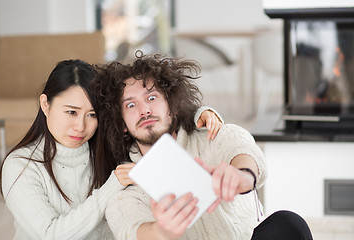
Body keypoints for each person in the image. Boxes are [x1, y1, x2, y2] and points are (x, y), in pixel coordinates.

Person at [91, 51, 314, 240]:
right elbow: (132, 229)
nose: (144, 110)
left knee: (288, 224)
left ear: (174, 106)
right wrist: (162, 229)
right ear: (121, 124)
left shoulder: (211, 135)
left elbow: (243, 150)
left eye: (151, 98)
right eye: (131, 104)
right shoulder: (125, 185)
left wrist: (241, 176)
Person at [0, 59, 223, 240]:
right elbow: (51, 235)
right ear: (45, 104)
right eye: (71, 112)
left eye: (92, 115)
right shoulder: (21, 166)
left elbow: (149, 126)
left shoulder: (106, 147)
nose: (81, 127)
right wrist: (112, 185)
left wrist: (196, 114)